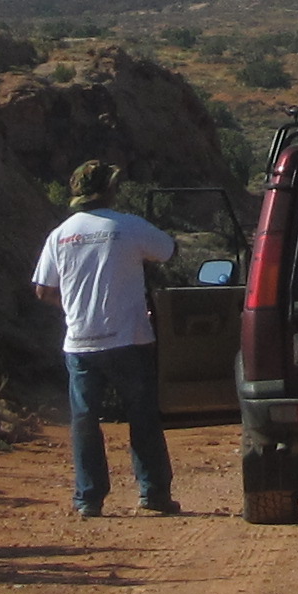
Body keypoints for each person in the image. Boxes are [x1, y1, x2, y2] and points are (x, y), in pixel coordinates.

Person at [33, 158, 178, 516]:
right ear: (109, 190)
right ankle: (153, 494)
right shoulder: (128, 225)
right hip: (130, 339)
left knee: (84, 421)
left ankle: (88, 498)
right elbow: (168, 250)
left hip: (80, 343)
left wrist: (72, 309)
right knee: (142, 417)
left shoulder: (61, 234)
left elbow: (43, 289)